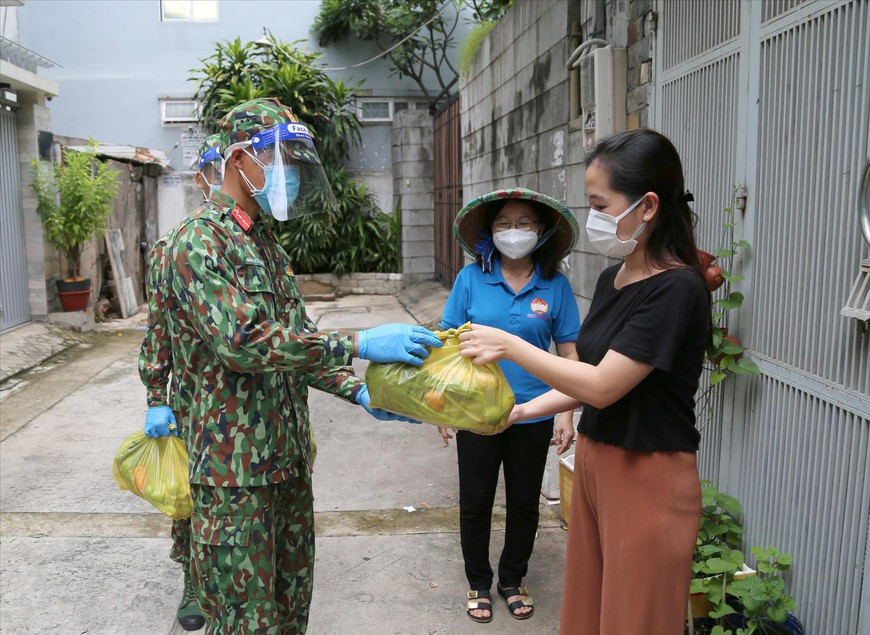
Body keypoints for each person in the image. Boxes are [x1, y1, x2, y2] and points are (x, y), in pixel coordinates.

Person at [146, 98, 441, 634]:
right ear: (239, 161)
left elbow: (297, 346)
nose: (290, 175)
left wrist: (361, 393)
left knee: (289, 610)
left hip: (286, 463)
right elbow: (246, 343)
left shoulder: (266, 248)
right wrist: (359, 342)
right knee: (244, 621)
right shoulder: (197, 243)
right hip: (232, 475)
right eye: (281, 160)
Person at [457, 129, 711, 634]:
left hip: (647, 472)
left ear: (647, 206)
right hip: (597, 459)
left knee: (632, 618)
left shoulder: (677, 288)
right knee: (589, 612)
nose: (594, 216)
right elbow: (587, 377)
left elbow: (601, 385)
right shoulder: (612, 279)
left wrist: (512, 346)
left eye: (600, 203)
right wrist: (523, 412)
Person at [438, 188, 581, 623]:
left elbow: (570, 356)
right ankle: (479, 583)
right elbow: (445, 348)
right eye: (503, 223)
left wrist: (565, 411)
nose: (513, 232)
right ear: (489, 233)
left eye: (524, 223)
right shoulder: (470, 280)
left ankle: (512, 579)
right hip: (476, 413)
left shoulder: (555, 285)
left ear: (540, 231)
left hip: (535, 411)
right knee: (476, 500)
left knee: (524, 502)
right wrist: (440, 407)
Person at [138, 130, 225, 631]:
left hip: (247, 408)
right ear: (202, 178)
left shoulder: (251, 242)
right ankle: (192, 584)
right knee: (190, 499)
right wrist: (156, 395)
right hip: (192, 404)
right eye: (212, 171)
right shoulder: (174, 247)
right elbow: (159, 330)